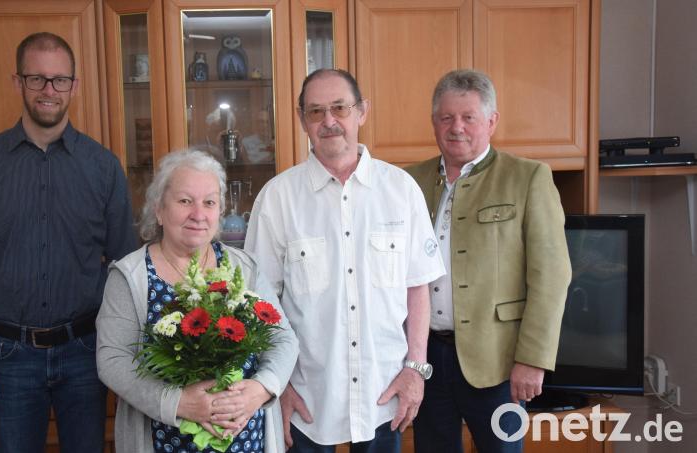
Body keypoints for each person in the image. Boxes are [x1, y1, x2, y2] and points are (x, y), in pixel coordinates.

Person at [0, 32, 136, 452]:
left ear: (74, 86)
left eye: (59, 80)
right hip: (7, 355)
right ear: (18, 82)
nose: (49, 91)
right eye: (37, 79)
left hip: (87, 351)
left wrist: (127, 360)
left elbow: (127, 267)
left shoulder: (103, 167)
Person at [244, 69, 446, 452]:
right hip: (305, 399)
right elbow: (260, 303)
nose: (329, 121)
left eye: (340, 107)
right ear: (303, 119)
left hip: (385, 396)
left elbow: (417, 286)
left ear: (362, 112)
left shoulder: (401, 190)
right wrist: (277, 384)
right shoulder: (277, 199)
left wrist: (415, 370)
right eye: (316, 111)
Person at [405, 69, 572, 452]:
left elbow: (552, 276)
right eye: (446, 118)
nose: (456, 128)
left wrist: (533, 359)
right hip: (423, 359)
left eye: (469, 118)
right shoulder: (407, 181)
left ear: (492, 121)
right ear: (434, 122)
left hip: (499, 363)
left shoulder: (528, 178)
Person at [96, 149, 298, 453]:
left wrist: (260, 389)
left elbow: (283, 340)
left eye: (209, 202)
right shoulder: (130, 276)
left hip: (245, 442)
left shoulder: (244, 268)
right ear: (159, 210)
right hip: (165, 441)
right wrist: (179, 402)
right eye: (185, 201)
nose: (198, 214)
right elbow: (113, 361)